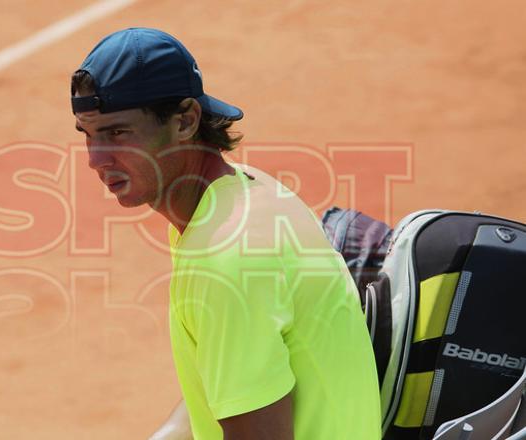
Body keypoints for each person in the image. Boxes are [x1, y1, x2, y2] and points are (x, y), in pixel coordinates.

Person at [70, 27, 381, 440]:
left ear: (185, 121)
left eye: (117, 133)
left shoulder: (224, 254)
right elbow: (227, 380)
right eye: (88, 134)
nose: (95, 158)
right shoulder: (244, 194)